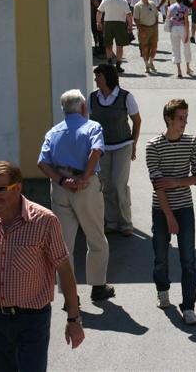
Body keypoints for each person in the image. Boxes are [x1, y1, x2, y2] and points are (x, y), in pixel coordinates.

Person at [0, 161, 84, 372]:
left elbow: (64, 270)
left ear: (17, 187)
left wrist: (73, 319)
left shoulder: (44, 221)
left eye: (0, 190)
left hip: (33, 320)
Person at [37, 90, 116, 305]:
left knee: (63, 244)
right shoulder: (92, 127)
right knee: (96, 237)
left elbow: (42, 163)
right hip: (86, 187)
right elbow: (96, 151)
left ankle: (68, 295)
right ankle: (98, 287)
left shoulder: (53, 132)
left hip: (61, 186)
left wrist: (62, 181)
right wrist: (84, 178)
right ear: (83, 108)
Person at [145, 99, 196, 325]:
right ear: (168, 119)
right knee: (161, 257)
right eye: (180, 118)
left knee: (188, 260)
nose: (184, 123)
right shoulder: (153, 145)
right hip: (161, 210)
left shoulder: (191, 142)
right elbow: (158, 185)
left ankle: (189, 307)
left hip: (185, 207)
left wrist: (177, 182)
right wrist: (169, 216)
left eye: (186, 118)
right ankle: (163, 291)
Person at [89, 64, 141, 237]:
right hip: (101, 148)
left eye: (99, 76)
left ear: (107, 77)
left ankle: (125, 222)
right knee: (105, 185)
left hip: (122, 145)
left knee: (119, 184)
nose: (96, 79)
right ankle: (111, 221)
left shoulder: (125, 97)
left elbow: (137, 120)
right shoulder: (92, 98)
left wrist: (134, 143)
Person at [96, 0, 132, 74]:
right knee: (119, 45)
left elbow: (99, 11)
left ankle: (109, 63)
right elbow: (129, 14)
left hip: (108, 23)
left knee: (108, 44)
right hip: (120, 23)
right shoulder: (123, 0)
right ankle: (118, 65)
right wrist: (130, 26)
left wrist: (98, 22)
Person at [133, 0, 160, 74]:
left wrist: (156, 25)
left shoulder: (152, 4)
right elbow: (136, 19)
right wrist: (140, 30)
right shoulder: (138, 6)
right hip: (143, 28)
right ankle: (146, 65)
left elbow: (156, 15)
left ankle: (151, 62)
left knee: (154, 46)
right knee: (145, 47)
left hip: (153, 28)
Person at [167, 0, 193, 78]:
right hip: (182, 28)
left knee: (175, 49)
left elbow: (168, 18)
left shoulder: (171, 7)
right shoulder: (185, 8)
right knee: (187, 48)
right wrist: (188, 33)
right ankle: (188, 67)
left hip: (174, 28)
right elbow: (186, 21)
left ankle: (179, 70)